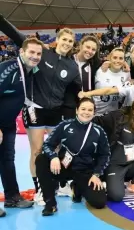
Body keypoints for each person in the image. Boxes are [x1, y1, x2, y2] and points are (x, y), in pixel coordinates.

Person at [0, 15, 82, 203]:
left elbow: (77, 91)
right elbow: (18, 36)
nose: (67, 43)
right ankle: (39, 190)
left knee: (58, 149)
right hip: (34, 108)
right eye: (64, 39)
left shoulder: (72, 65)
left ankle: (58, 185)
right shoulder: (42, 53)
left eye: (70, 41)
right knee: (37, 151)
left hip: (56, 111)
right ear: (57, 40)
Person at [35, 98, 110, 216]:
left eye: (90, 110)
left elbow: (105, 155)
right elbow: (47, 145)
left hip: (85, 171)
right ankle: (50, 203)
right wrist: (53, 157)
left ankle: (77, 187)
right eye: (83, 109)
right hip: (64, 167)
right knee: (41, 159)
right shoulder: (64, 125)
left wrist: (96, 174)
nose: (86, 112)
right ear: (76, 110)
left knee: (99, 202)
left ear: (94, 113)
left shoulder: (98, 131)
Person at [0, 38, 44, 217]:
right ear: (21, 52)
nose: (35, 56)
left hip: (8, 123)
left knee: (7, 160)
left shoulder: (30, 71)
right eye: (31, 52)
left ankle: (12, 197)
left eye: (38, 53)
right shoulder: (8, 68)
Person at [93, 48, 130, 115]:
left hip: (114, 115)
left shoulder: (126, 74)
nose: (117, 60)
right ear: (110, 58)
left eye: (121, 58)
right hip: (96, 113)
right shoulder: (100, 71)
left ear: (124, 60)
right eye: (115, 57)